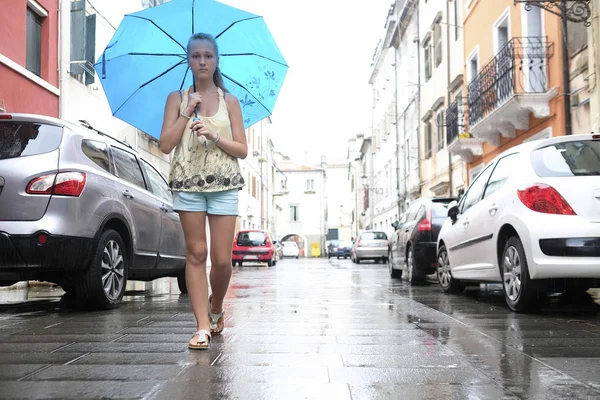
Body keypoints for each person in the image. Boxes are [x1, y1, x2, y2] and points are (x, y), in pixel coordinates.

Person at [159, 32, 248, 350]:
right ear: (188, 60)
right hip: (187, 185)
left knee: (222, 260)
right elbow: (166, 145)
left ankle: (216, 308)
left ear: (216, 60)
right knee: (196, 254)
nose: (202, 61)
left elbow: (242, 150)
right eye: (195, 56)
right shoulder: (177, 98)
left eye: (207, 56)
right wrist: (187, 111)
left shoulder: (230, 101)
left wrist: (214, 135)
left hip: (224, 185)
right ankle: (201, 327)